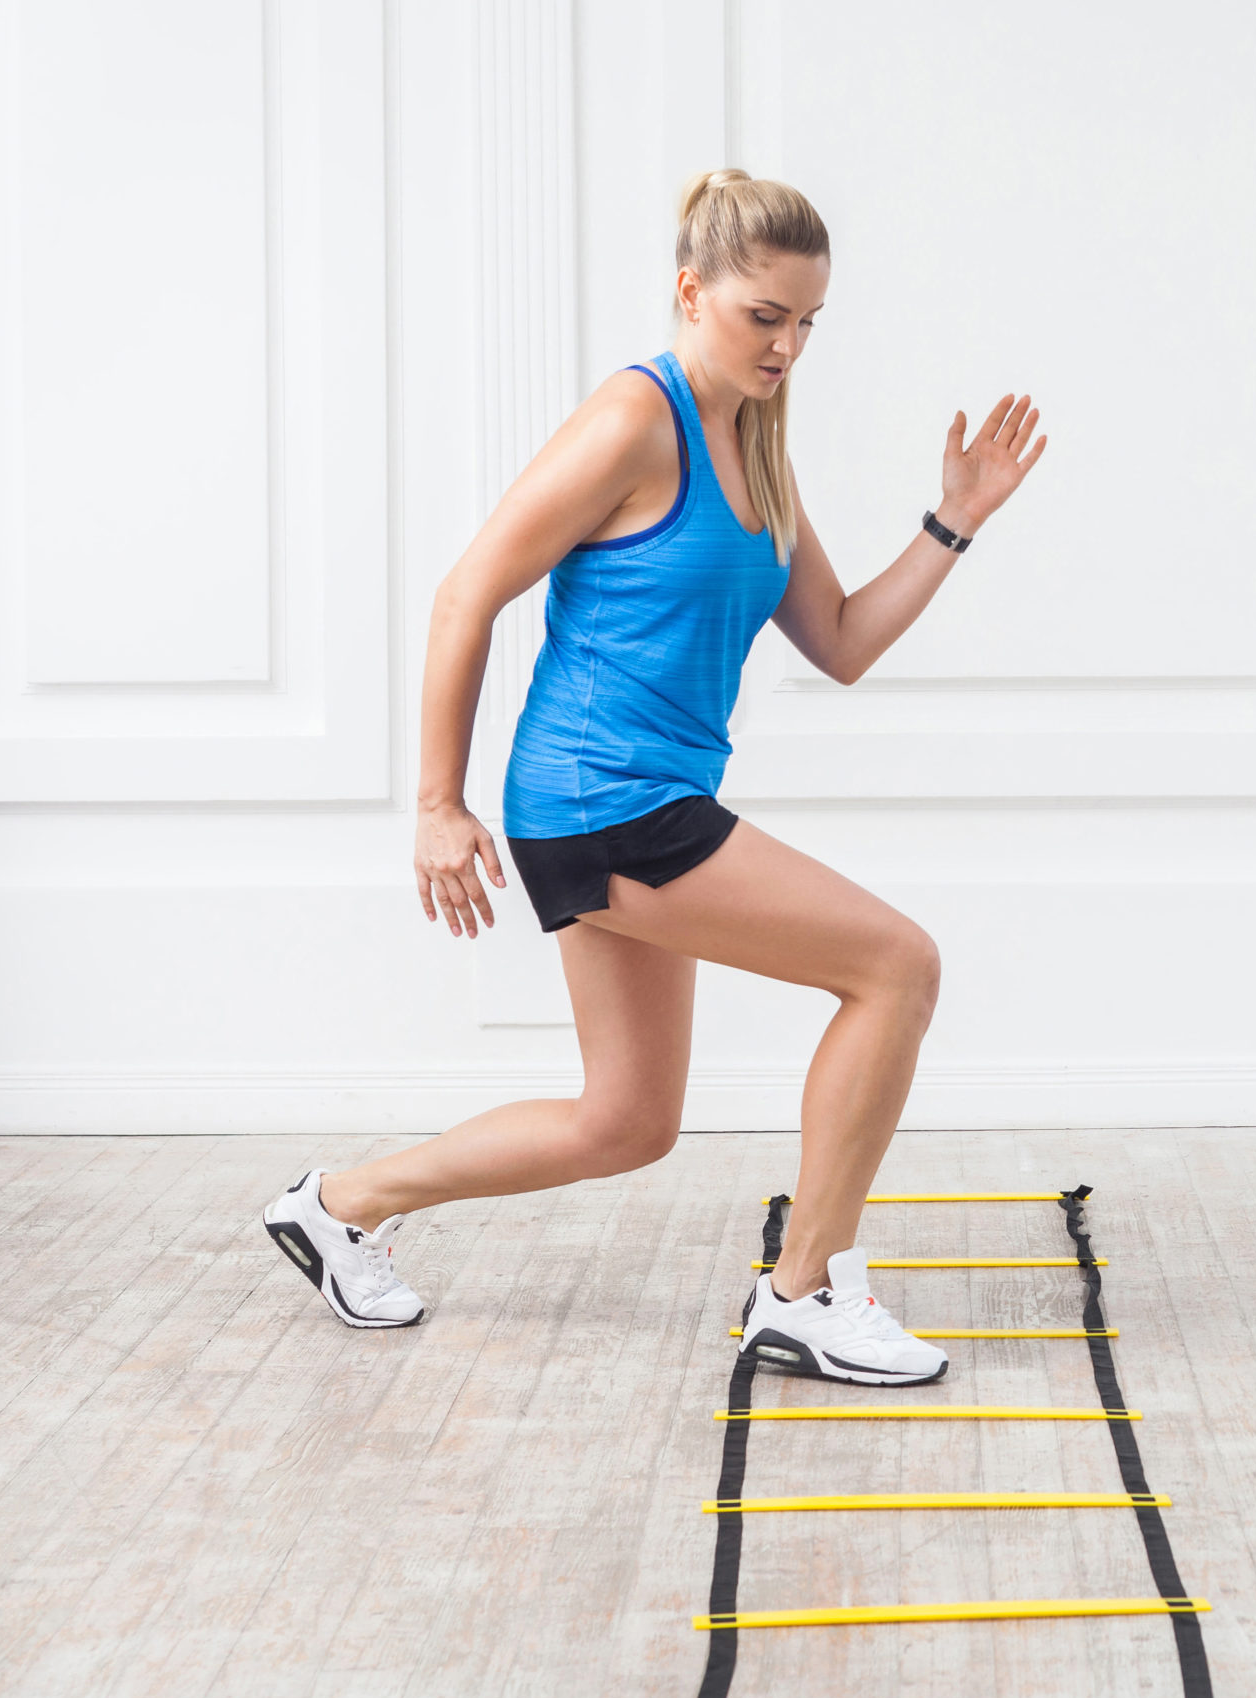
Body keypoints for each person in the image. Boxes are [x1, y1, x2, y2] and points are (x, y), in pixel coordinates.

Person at [258, 169, 1045, 1386]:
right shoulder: (636, 419)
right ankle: (806, 1290)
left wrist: (953, 523)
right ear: (692, 290)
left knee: (625, 1121)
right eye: (762, 315)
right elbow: (469, 588)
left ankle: (338, 1202)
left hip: (644, 797)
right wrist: (434, 802)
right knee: (897, 963)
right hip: (600, 797)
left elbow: (837, 639)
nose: (786, 344)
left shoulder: (759, 447)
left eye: (806, 322)